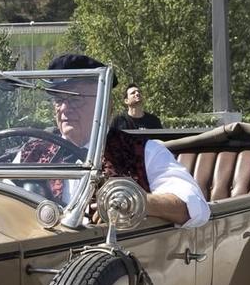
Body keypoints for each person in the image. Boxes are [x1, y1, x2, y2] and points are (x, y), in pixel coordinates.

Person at [23, 54, 208, 228]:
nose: (64, 108)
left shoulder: (144, 152)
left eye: (75, 99)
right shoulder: (32, 152)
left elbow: (195, 207)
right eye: (58, 99)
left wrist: (135, 200)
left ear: (105, 105)